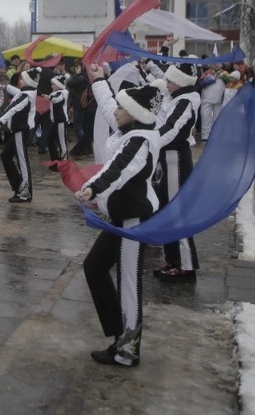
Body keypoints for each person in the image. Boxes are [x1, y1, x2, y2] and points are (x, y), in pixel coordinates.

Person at [76, 79, 164, 368]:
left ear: (135, 113)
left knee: (129, 283)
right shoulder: (133, 130)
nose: (116, 113)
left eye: (123, 109)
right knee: (94, 267)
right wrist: (99, 78)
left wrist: (93, 188)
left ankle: (127, 350)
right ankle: (119, 334)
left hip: (132, 221)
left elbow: (118, 169)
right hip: (121, 218)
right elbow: (110, 107)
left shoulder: (139, 141)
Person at [146, 60, 201, 281]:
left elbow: (171, 128)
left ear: (180, 81)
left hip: (176, 159)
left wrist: (149, 142)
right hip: (166, 158)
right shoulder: (175, 97)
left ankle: (186, 265)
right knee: (166, 210)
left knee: (176, 213)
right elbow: (160, 121)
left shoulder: (187, 100)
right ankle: (173, 258)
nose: (166, 83)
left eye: (170, 80)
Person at [0, 67, 39, 203]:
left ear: (29, 81)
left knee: (22, 161)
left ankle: (25, 193)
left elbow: (13, 107)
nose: (20, 81)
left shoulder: (26, 96)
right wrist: (4, 86)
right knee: (5, 156)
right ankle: (18, 186)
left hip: (21, 131)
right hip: (18, 131)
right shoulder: (27, 91)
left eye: (23, 79)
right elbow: (17, 93)